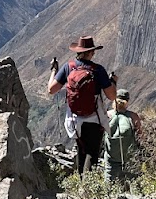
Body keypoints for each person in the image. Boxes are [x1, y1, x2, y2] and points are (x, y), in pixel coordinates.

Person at [47, 35, 116, 175]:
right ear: (89, 52)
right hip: (94, 118)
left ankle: (80, 185)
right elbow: (112, 96)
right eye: (93, 51)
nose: (94, 53)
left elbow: (51, 89)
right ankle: (87, 187)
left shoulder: (69, 67)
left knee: (81, 149)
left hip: (74, 119)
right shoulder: (98, 70)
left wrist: (54, 71)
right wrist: (113, 82)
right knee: (92, 152)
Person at [104, 89, 142, 190]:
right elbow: (140, 135)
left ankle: (108, 195)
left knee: (109, 180)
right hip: (129, 155)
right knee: (133, 177)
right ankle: (136, 194)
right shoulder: (133, 116)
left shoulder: (107, 115)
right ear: (127, 102)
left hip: (111, 156)